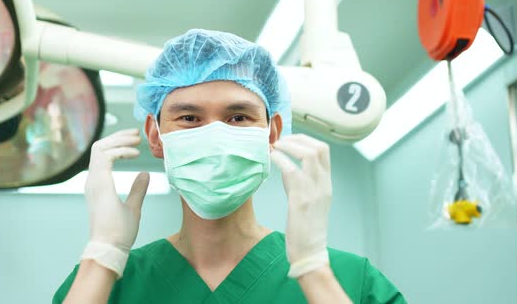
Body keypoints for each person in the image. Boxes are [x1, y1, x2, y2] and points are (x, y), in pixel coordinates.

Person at [53, 29, 406, 303]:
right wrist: (103, 253)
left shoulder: (352, 281)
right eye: (189, 117)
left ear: (272, 134)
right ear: (156, 135)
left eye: (238, 117)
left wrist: (312, 268)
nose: (215, 135)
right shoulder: (102, 284)